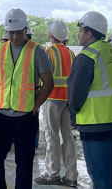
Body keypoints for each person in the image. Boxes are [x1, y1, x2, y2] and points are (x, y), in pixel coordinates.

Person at [0, 8, 54, 189]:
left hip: (25, 116)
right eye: (11, 32)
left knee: (24, 163)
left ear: (25, 30)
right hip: (0, 113)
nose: (14, 36)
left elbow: (48, 82)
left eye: (17, 32)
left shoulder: (37, 52)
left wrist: (36, 105)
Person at [69, 11, 112, 189]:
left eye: (81, 30)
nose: (79, 34)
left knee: (101, 178)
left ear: (89, 33)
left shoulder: (86, 57)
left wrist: (73, 116)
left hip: (96, 125)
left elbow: (75, 95)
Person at [34, 21, 78, 187]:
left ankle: (52, 173)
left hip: (52, 99)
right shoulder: (71, 53)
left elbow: (44, 77)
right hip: (67, 100)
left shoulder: (49, 52)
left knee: (51, 136)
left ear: (50, 35)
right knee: (68, 137)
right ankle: (71, 176)